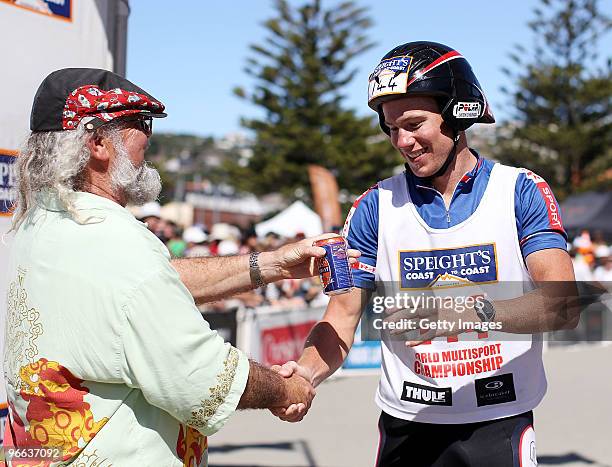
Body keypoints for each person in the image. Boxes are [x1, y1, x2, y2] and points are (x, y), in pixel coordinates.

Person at [3, 68, 358, 466]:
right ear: (98, 143)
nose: (149, 138)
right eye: (141, 123)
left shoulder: (43, 222)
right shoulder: (114, 243)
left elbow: (152, 284)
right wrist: (287, 389)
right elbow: (201, 377)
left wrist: (273, 264)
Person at [272, 42, 578, 466]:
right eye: (391, 128)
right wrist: (305, 372)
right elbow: (341, 317)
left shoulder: (521, 190)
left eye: (415, 124)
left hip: (497, 419)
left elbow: (563, 304)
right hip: (406, 423)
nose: (402, 141)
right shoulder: (373, 206)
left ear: (458, 115)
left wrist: (455, 313)